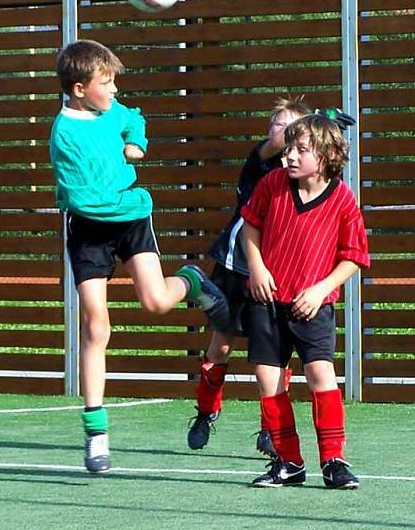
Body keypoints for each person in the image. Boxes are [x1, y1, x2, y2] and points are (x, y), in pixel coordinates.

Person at [49, 39, 229, 473]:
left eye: (113, 82)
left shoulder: (111, 110)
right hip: (92, 226)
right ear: (78, 89)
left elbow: (134, 117)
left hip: (131, 216)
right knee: (96, 326)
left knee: (155, 303)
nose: (113, 90)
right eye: (105, 83)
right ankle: (96, 433)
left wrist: (137, 143)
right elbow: (86, 199)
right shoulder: (65, 135)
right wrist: (123, 192)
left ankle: (191, 280)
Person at [240, 109, 370, 489]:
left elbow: (354, 257)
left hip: (313, 306)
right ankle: (289, 461)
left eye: (301, 149)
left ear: (327, 156)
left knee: (319, 373)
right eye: (288, 149)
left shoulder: (343, 200)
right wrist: (258, 268)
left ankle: (333, 460)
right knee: (268, 377)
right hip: (267, 301)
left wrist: (319, 290)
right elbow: (250, 225)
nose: (290, 157)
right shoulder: (272, 185)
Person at [187, 97, 311, 456]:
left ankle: (270, 430)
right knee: (221, 346)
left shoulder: (301, 175)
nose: (282, 132)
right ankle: (206, 412)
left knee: (273, 358)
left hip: (274, 274)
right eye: (277, 125)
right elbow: (279, 142)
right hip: (234, 269)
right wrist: (317, 120)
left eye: (291, 126)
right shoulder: (259, 164)